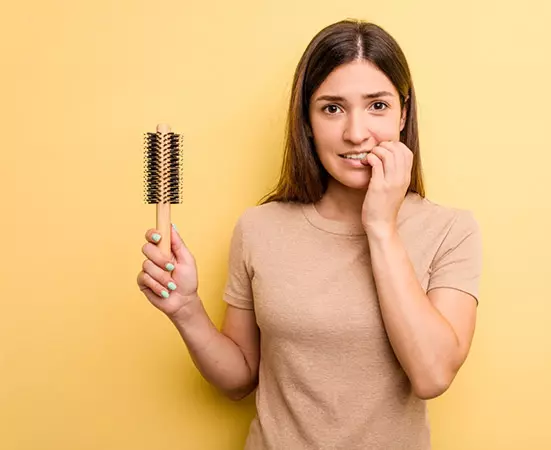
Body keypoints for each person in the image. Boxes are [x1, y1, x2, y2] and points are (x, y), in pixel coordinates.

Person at [137, 18, 482, 450]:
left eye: (377, 105)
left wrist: (380, 225)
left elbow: (432, 375)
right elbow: (239, 379)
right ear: (307, 119)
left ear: (403, 113)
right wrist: (186, 309)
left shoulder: (450, 230)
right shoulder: (258, 228)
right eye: (332, 108)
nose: (356, 133)